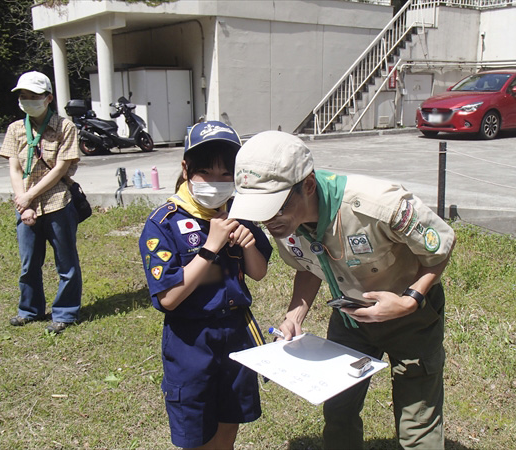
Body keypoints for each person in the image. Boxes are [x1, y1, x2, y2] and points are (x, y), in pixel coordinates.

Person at [229, 131, 456, 449]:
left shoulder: (378, 205)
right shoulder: (285, 222)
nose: (269, 220)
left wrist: (408, 302)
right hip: (350, 317)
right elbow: (309, 268)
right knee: (338, 409)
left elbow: (441, 247)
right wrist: (296, 315)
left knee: (416, 424)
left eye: (276, 207)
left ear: (307, 185)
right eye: (261, 209)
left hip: (412, 319)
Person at [138, 121, 273, 449]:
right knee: (195, 430)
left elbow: (259, 272)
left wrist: (248, 245)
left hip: (236, 334)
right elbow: (168, 298)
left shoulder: (239, 213)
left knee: (230, 421)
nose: (217, 182)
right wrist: (210, 248)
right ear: (186, 170)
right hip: (191, 341)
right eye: (206, 173)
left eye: (226, 174)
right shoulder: (164, 223)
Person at [0, 71, 82, 334]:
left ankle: (66, 313)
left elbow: (60, 169)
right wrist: (23, 202)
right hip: (25, 205)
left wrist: (28, 197)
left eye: (34, 96)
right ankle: (30, 310)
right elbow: (14, 168)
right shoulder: (15, 129)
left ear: (48, 98)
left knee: (66, 262)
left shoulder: (64, 127)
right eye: (23, 96)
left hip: (57, 201)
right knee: (28, 263)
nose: (27, 101)